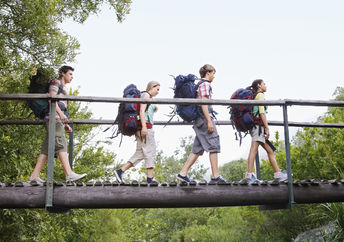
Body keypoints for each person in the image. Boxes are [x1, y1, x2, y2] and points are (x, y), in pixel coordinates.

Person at [28, 65, 87, 184]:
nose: (72, 77)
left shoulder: (64, 88)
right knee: (61, 143)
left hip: (55, 118)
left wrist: (65, 122)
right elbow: (51, 98)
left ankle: (34, 176)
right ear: (63, 73)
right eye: (70, 74)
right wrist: (61, 115)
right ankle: (69, 174)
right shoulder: (56, 82)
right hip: (53, 117)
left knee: (46, 149)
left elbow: (61, 105)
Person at [177, 64, 226, 183]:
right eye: (213, 73)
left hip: (200, 119)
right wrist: (209, 121)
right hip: (204, 118)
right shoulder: (205, 84)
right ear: (208, 73)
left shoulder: (200, 85)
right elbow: (203, 102)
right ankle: (215, 176)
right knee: (214, 145)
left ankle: (183, 173)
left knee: (198, 148)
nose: (214, 76)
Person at [114, 81, 160, 184]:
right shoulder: (146, 96)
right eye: (157, 89)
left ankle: (120, 171)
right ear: (152, 87)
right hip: (145, 127)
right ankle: (150, 179)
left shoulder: (146, 96)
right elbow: (142, 111)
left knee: (140, 153)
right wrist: (144, 127)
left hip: (141, 127)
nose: (158, 92)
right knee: (150, 152)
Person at [245, 79, 287, 183]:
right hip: (258, 127)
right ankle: (249, 176)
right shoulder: (260, 95)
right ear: (259, 86)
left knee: (270, 150)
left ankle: (278, 174)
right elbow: (262, 113)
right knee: (253, 150)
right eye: (264, 84)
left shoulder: (257, 95)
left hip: (257, 127)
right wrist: (267, 128)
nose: (266, 86)